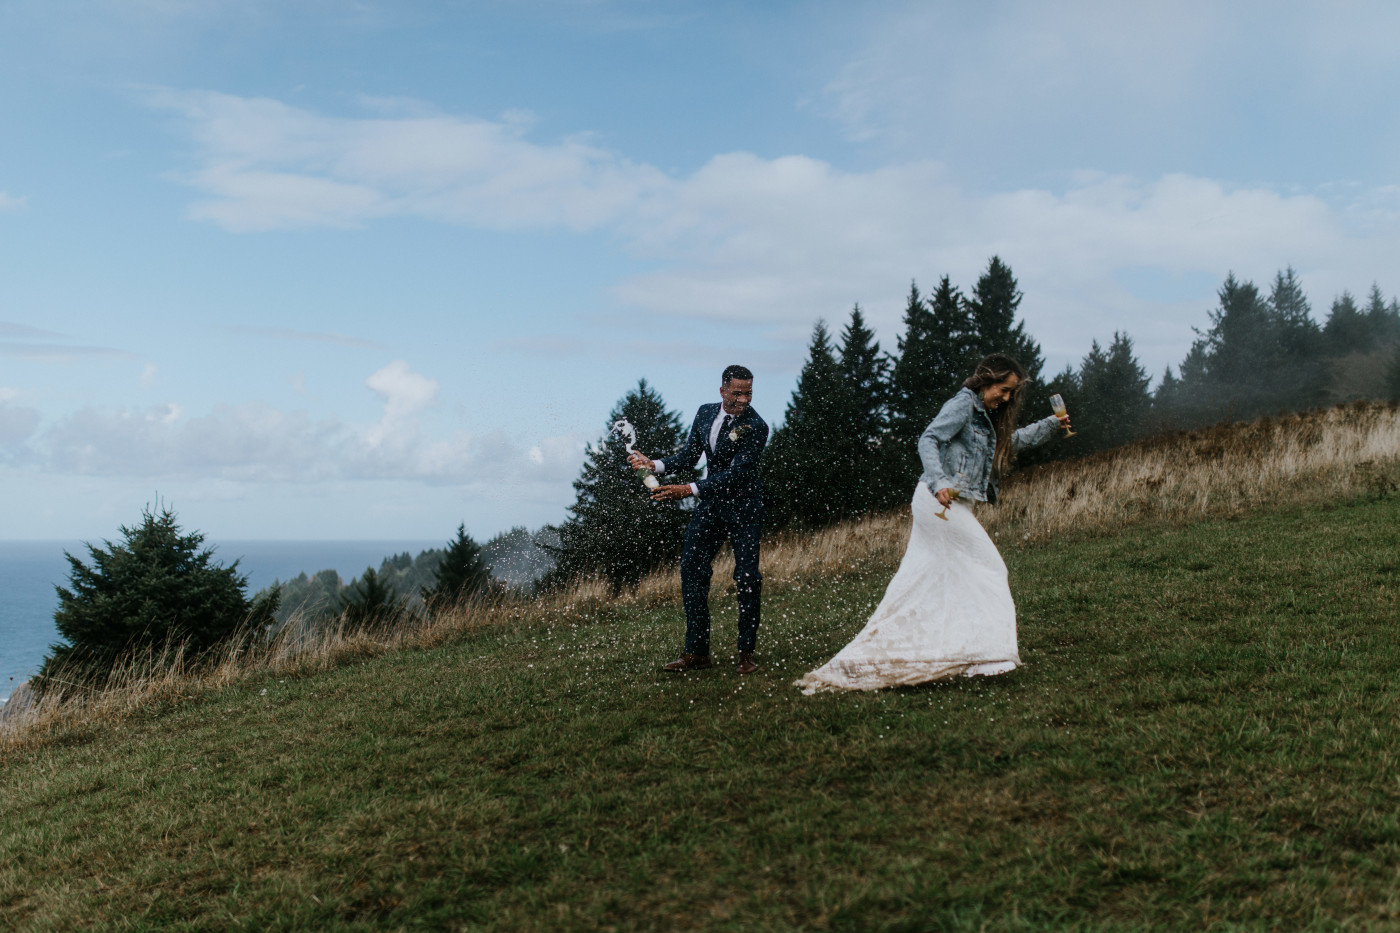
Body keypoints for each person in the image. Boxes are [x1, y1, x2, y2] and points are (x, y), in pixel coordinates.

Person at [795, 353, 1070, 694]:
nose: (1007, 397)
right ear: (986, 379)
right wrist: (938, 480)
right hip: (939, 500)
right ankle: (991, 655)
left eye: (1012, 392)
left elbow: (1005, 445)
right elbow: (928, 439)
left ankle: (955, 652)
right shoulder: (963, 404)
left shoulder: (986, 415)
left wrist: (1050, 425)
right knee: (990, 568)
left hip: (955, 504)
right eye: (1004, 389)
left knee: (927, 579)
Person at [629, 365, 770, 674]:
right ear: (722, 391)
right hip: (711, 506)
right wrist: (653, 464)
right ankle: (696, 652)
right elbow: (689, 456)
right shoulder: (705, 412)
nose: (744, 399)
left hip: (744, 509)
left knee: (747, 579)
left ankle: (746, 653)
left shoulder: (757, 426)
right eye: (737, 393)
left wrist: (687, 490)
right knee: (692, 571)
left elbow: (737, 474)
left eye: (748, 393)